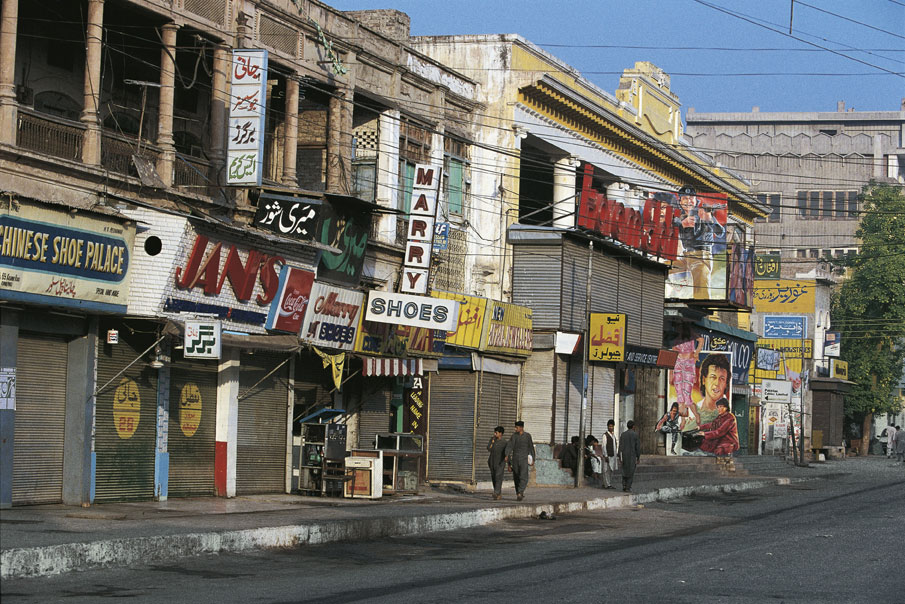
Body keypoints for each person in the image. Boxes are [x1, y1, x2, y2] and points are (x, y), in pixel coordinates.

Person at [671, 186, 726, 300]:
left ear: (696, 200)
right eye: (685, 198)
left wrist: (709, 219)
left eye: (691, 198)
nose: (688, 201)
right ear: (680, 201)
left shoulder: (703, 213)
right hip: (684, 257)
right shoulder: (678, 216)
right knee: (661, 266)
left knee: (701, 288)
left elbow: (720, 232)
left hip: (701, 256)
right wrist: (682, 223)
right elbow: (670, 225)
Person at [688, 353, 732, 428]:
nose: (717, 383)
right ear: (704, 380)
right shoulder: (691, 411)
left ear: (726, 384)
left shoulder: (728, 416)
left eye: (722, 379)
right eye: (713, 377)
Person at [505, 420, 536, 501]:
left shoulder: (527, 436)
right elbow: (510, 446)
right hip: (515, 459)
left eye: (517, 427)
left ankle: (520, 491)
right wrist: (507, 455)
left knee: (524, 476)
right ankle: (519, 493)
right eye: (515, 427)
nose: (515, 429)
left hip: (524, 459)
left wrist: (533, 459)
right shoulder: (514, 436)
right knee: (516, 476)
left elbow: (531, 447)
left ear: (521, 428)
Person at [618, 420, 641, 493]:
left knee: (624, 471)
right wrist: (638, 457)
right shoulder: (635, 435)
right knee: (631, 472)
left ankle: (624, 485)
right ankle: (628, 487)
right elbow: (637, 447)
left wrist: (620, 456)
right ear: (633, 426)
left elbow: (620, 447)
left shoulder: (623, 434)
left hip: (624, 456)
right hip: (632, 456)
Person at [487, 426, 507, 500]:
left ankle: (496, 492)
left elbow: (507, 452)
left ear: (500, 434)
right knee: (494, 477)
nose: (495, 434)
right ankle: (498, 493)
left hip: (500, 462)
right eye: (494, 432)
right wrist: (492, 442)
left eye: (496, 433)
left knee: (498, 477)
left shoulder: (504, 442)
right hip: (492, 461)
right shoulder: (492, 440)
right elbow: (489, 448)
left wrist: (508, 462)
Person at [602, 420, 618, 489]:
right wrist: (605, 455)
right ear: (608, 426)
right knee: (606, 470)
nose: (611, 427)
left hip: (613, 456)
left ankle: (609, 483)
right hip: (608, 456)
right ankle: (606, 484)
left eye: (612, 426)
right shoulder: (605, 435)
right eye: (610, 426)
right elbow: (604, 446)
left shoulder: (613, 435)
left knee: (611, 470)